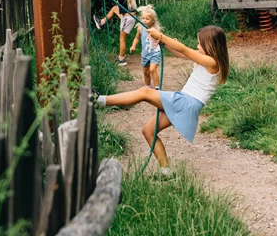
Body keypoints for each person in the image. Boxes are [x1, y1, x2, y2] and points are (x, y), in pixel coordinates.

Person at [96, 25, 230, 178]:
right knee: (148, 130)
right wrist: (165, 43)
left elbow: (185, 50)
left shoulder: (212, 62)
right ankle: (166, 172)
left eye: (200, 43)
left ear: (210, 45)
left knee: (145, 92)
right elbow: (182, 54)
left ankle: (98, 100)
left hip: (187, 102)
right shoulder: (206, 60)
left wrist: (161, 36)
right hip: (186, 103)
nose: (197, 46)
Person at [93, 0, 137, 66]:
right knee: (114, 9)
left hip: (127, 19)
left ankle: (122, 59)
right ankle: (102, 22)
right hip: (129, 16)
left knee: (122, 39)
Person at [129, 6, 162, 89]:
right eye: (143, 18)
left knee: (152, 69)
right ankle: (147, 87)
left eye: (147, 19)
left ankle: (157, 88)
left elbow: (162, 38)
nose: (144, 20)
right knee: (145, 71)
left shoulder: (156, 29)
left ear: (152, 20)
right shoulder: (140, 29)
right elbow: (137, 38)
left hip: (155, 53)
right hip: (145, 54)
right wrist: (133, 46)